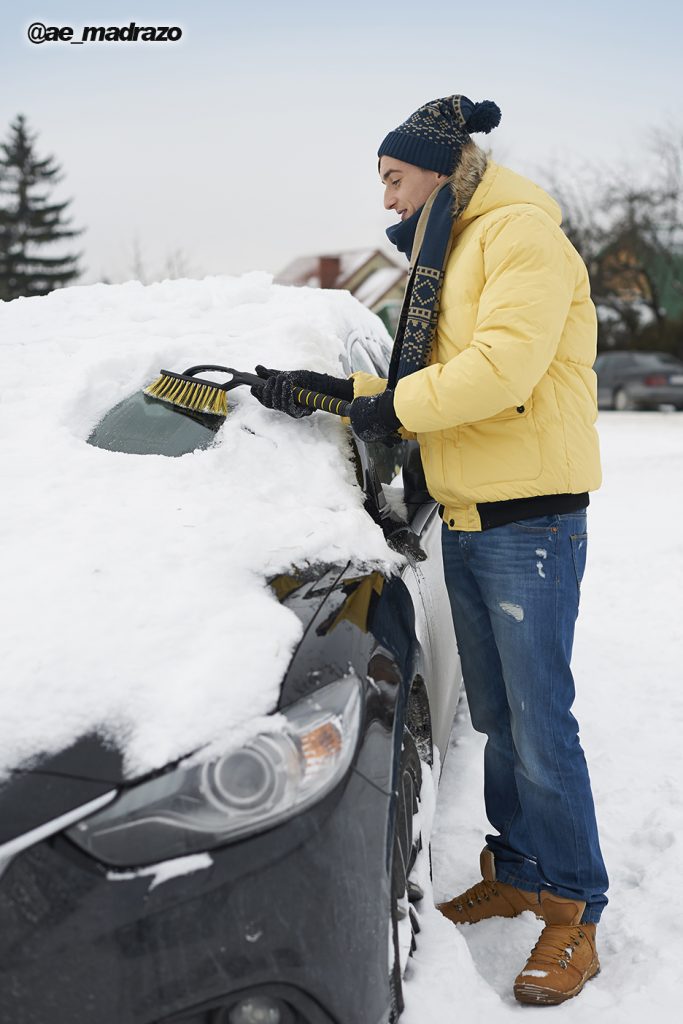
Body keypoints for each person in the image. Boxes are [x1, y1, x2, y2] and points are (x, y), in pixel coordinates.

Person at [252, 93, 608, 1007]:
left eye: (393, 177)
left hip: (530, 518)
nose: (386, 198)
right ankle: (519, 870)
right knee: (496, 715)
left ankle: (574, 914)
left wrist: (378, 405)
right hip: (473, 510)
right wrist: (329, 392)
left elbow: (499, 372)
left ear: (440, 172)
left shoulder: (518, 236)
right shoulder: (454, 247)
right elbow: (423, 382)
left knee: (540, 723)